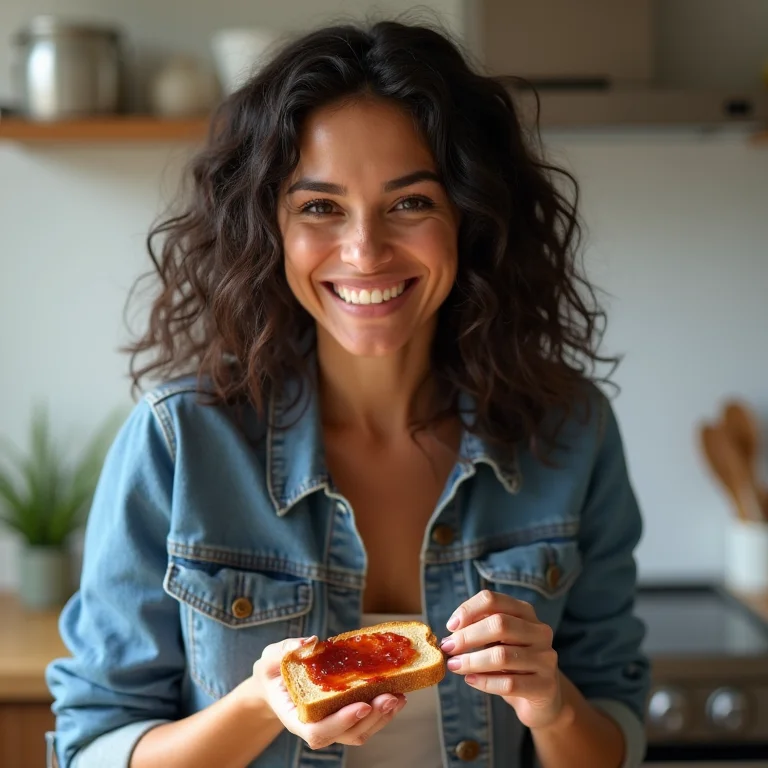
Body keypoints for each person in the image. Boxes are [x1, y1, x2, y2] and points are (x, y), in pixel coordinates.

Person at [46, 17, 650, 768]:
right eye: (320, 207)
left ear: (472, 214)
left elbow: (615, 735)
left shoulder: (572, 431)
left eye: (411, 203)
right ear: (269, 227)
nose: (364, 251)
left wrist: (554, 706)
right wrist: (261, 705)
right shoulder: (179, 441)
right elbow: (92, 747)